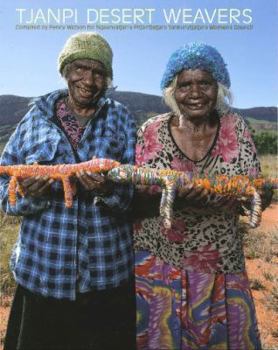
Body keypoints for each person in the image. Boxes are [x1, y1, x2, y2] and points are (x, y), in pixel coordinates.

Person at [0, 32, 136, 350]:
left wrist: (109, 190)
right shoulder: (34, 121)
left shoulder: (121, 119)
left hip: (106, 278)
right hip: (42, 275)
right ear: (65, 69)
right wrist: (27, 195)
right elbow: (4, 186)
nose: (88, 80)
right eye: (80, 68)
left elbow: (135, 191)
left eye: (99, 72)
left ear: (108, 78)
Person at [134, 43, 266, 349]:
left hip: (220, 261)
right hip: (160, 260)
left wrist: (249, 196)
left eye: (204, 83)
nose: (195, 93)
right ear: (172, 91)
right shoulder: (151, 132)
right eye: (185, 85)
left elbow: (256, 195)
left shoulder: (237, 129)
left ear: (218, 87)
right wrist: (176, 197)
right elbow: (135, 197)